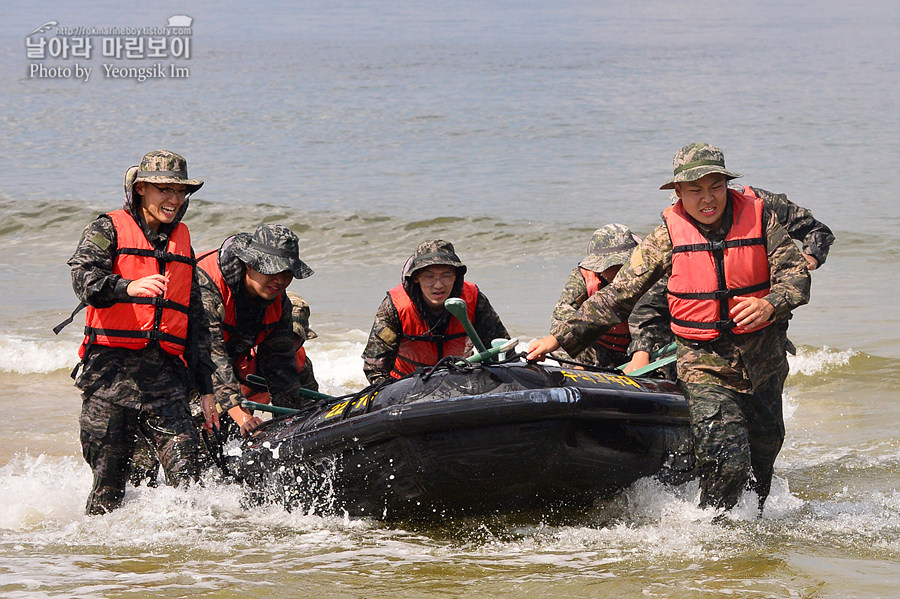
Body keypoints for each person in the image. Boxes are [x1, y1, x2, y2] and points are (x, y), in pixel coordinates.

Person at [526, 143, 811, 513]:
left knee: (763, 453)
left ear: (727, 185)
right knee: (724, 459)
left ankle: (753, 548)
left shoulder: (761, 220)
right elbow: (618, 296)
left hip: (763, 360)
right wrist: (559, 337)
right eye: (696, 189)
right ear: (678, 192)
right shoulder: (665, 238)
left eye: (715, 187)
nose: (707, 199)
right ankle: (717, 539)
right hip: (702, 361)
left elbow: (796, 274)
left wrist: (771, 303)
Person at [66, 150, 217, 515]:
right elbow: (83, 279)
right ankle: (107, 568)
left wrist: (208, 390)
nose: (174, 199)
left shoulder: (182, 240)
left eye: (180, 192)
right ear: (141, 189)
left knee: (191, 481)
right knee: (109, 490)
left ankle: (199, 569)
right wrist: (127, 288)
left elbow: (195, 321)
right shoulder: (108, 228)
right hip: (109, 381)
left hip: (166, 383)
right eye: (164, 190)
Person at [624, 185, 834, 374]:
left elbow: (817, 230)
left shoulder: (764, 207)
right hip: (706, 349)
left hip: (764, 328)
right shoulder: (680, 231)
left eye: (713, 191)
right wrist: (641, 351)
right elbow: (650, 303)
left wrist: (810, 258)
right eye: (692, 198)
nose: (704, 207)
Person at [196, 224, 316, 438]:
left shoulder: (279, 302)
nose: (280, 280)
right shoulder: (206, 286)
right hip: (177, 370)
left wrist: (293, 424)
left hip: (228, 372)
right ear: (249, 264)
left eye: (287, 272)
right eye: (273, 269)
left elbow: (281, 368)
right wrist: (243, 418)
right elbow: (211, 357)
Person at [362, 239, 510, 385]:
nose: (438, 285)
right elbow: (375, 369)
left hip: (460, 380)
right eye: (429, 277)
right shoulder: (394, 306)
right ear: (416, 278)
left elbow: (504, 352)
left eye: (446, 276)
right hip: (406, 386)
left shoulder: (474, 299)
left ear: (456, 277)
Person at [549, 223, 641, 369]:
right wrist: (576, 366)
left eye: (620, 264)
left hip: (642, 347)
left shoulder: (647, 272)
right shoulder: (583, 277)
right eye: (608, 266)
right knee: (561, 339)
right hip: (597, 351)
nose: (615, 271)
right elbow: (561, 319)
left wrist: (641, 353)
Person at [235, 291, 320, 404]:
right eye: (280, 334)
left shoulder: (301, 365)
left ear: (303, 339)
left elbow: (310, 408)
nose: (286, 342)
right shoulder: (239, 353)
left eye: (294, 336)